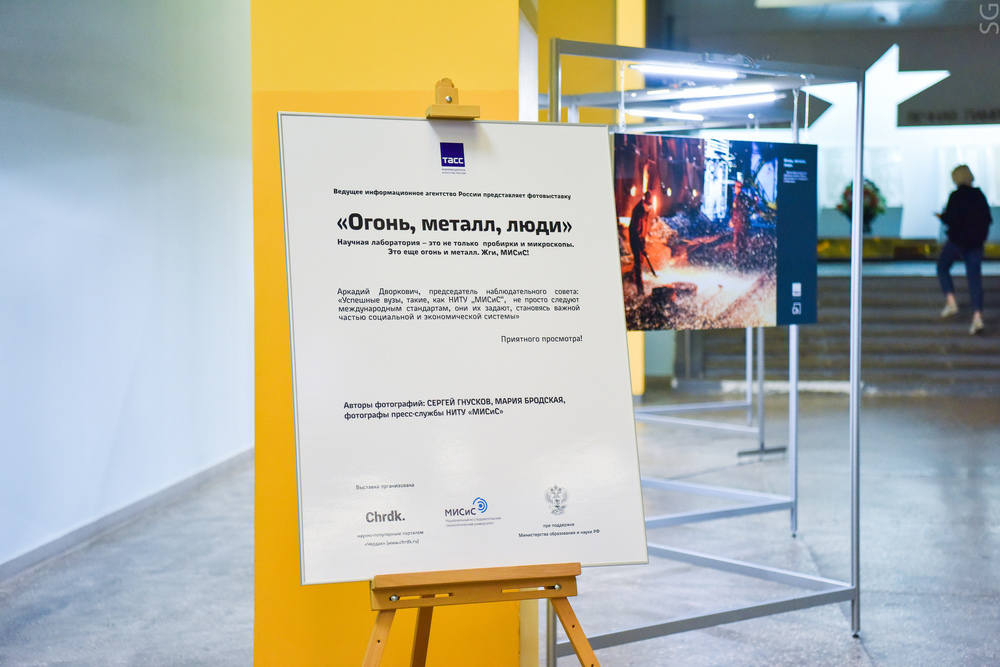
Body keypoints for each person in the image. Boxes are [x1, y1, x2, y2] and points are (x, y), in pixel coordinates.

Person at [936, 164, 992, 334]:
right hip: (975, 243)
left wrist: (941, 216)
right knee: (974, 279)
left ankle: (951, 300)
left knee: (942, 266)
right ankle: (977, 317)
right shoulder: (979, 195)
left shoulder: (956, 196)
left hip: (957, 241)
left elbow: (951, 219)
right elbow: (987, 219)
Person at [629, 190, 653, 295]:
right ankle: (640, 290)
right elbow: (635, 230)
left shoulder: (644, 210)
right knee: (638, 262)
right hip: (635, 240)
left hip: (640, 239)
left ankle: (632, 277)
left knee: (639, 261)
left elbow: (643, 227)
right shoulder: (639, 211)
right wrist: (641, 246)